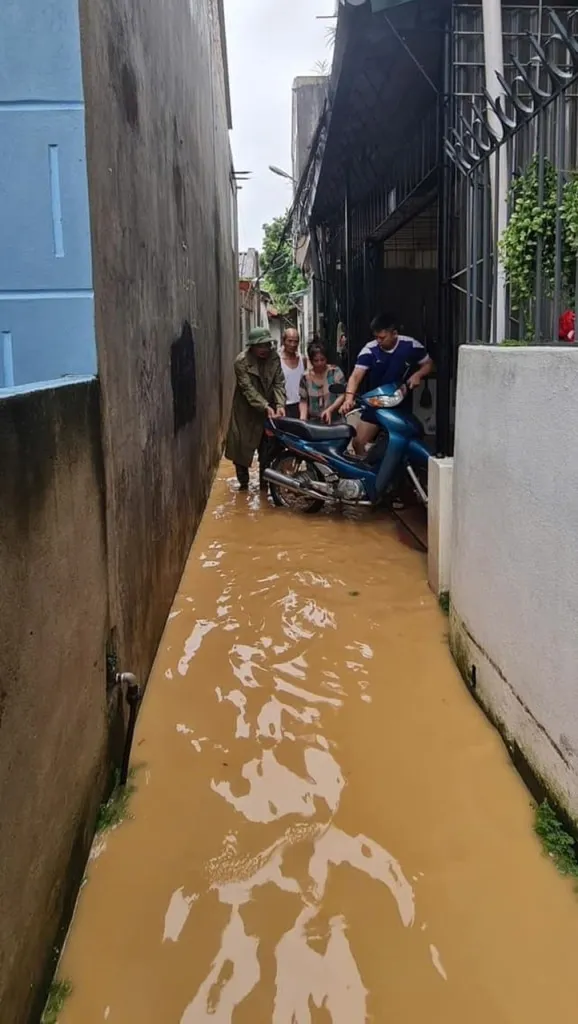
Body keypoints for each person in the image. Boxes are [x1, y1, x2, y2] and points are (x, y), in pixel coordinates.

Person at [341, 312, 434, 456]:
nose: (379, 341)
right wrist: (349, 399)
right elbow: (355, 376)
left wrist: (418, 375)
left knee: (405, 443)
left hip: (400, 404)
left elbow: (428, 364)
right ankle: (368, 473)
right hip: (376, 403)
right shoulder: (369, 350)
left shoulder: (410, 345)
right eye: (376, 337)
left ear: (394, 333)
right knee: (358, 442)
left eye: (382, 337)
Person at [225, 327, 286, 490]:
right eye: (261, 346)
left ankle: (265, 486)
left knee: (267, 450)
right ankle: (243, 484)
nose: (265, 349)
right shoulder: (241, 362)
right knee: (241, 450)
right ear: (252, 346)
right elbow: (247, 389)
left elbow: (279, 382)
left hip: (269, 411)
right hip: (245, 412)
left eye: (267, 345)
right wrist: (264, 405)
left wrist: (280, 404)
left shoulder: (274, 358)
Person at [299, 342, 345, 424]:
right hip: (314, 422)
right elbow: (303, 401)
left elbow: (342, 395)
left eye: (322, 360)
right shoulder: (305, 377)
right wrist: (302, 420)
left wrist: (330, 410)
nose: (320, 363)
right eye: (316, 360)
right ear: (311, 361)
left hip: (336, 420)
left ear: (326, 359)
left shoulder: (335, 372)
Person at [279, 327, 305, 418]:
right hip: (283, 406)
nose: (293, 344)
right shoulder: (277, 361)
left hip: (301, 406)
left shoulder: (303, 359)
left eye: (296, 341)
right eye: (289, 341)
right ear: (283, 341)